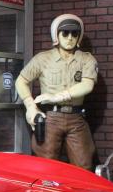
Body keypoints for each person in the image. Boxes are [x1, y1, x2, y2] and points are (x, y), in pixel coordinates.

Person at [15, 14, 98, 170]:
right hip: (50, 118)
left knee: (84, 164)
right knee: (45, 165)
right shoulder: (43, 59)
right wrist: (30, 106)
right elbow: (21, 81)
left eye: (74, 33)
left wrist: (56, 96)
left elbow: (87, 85)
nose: (70, 38)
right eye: (65, 33)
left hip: (76, 118)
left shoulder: (86, 59)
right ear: (56, 35)